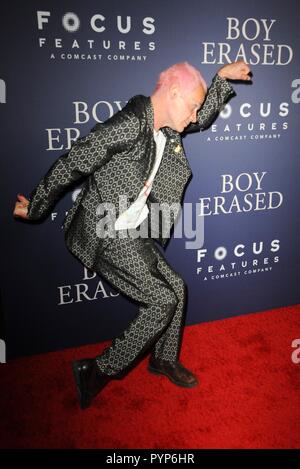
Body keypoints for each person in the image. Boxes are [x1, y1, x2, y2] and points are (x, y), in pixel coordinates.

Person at [13, 60, 251, 410]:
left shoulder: (168, 126)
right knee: (162, 301)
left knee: (177, 290)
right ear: (172, 93)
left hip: (134, 227)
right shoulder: (127, 125)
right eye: (192, 105)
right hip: (104, 230)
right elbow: (73, 162)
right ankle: (95, 371)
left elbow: (201, 118)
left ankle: (163, 359)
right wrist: (35, 207)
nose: (195, 115)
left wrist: (219, 79)